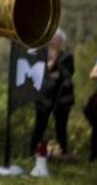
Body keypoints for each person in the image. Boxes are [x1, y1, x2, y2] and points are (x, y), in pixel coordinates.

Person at [30, 28, 75, 157]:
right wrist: (53, 61)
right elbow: (42, 72)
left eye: (55, 38)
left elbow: (67, 73)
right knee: (40, 124)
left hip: (62, 96)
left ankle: (63, 150)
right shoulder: (42, 55)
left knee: (61, 125)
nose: (52, 40)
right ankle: (33, 149)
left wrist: (53, 73)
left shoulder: (67, 56)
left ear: (61, 41)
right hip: (44, 96)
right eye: (51, 38)